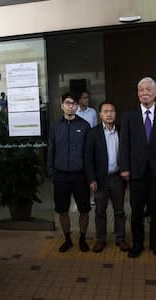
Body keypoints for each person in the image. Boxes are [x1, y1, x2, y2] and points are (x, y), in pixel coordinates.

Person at [119, 77, 156, 258]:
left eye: (148, 89)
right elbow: (124, 145)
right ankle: (137, 243)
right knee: (136, 210)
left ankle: (155, 243)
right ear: (137, 94)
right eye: (141, 90)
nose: (145, 93)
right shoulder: (128, 116)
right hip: (136, 172)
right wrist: (125, 168)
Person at [47, 92, 91, 253]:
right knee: (62, 210)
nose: (70, 106)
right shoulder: (55, 126)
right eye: (67, 103)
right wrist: (51, 172)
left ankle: (82, 239)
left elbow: (88, 153)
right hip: (61, 176)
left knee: (84, 210)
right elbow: (51, 149)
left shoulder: (84, 126)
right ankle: (67, 239)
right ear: (62, 105)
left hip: (80, 175)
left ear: (77, 106)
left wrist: (89, 176)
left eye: (73, 103)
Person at [84, 101, 129, 253]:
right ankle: (100, 239)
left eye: (112, 111)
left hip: (118, 178)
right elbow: (88, 158)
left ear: (116, 113)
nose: (109, 114)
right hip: (100, 179)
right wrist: (91, 179)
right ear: (100, 114)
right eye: (105, 111)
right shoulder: (93, 133)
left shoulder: (123, 131)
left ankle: (120, 238)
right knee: (100, 212)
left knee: (119, 211)